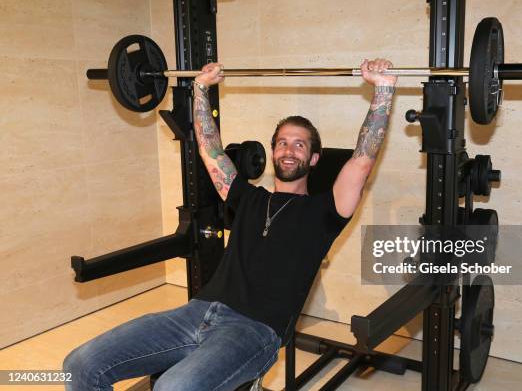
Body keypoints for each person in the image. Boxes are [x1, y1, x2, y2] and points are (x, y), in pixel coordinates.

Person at [63, 59, 397, 391]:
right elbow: (210, 150)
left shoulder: (325, 210)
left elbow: (362, 160)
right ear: (272, 152)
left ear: (313, 158)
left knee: (172, 388)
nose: (289, 150)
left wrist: (383, 90)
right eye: (282, 142)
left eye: (299, 144)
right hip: (197, 312)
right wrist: (200, 88)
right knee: (80, 365)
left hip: (254, 330)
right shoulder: (249, 198)